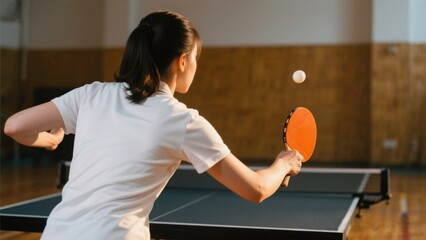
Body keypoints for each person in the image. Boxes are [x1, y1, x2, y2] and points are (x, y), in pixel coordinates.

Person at [4, 10, 303, 240]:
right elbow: (257, 189)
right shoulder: (183, 121)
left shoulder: (91, 94)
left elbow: (15, 127)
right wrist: (283, 163)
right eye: (197, 58)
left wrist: (50, 141)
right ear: (182, 61)